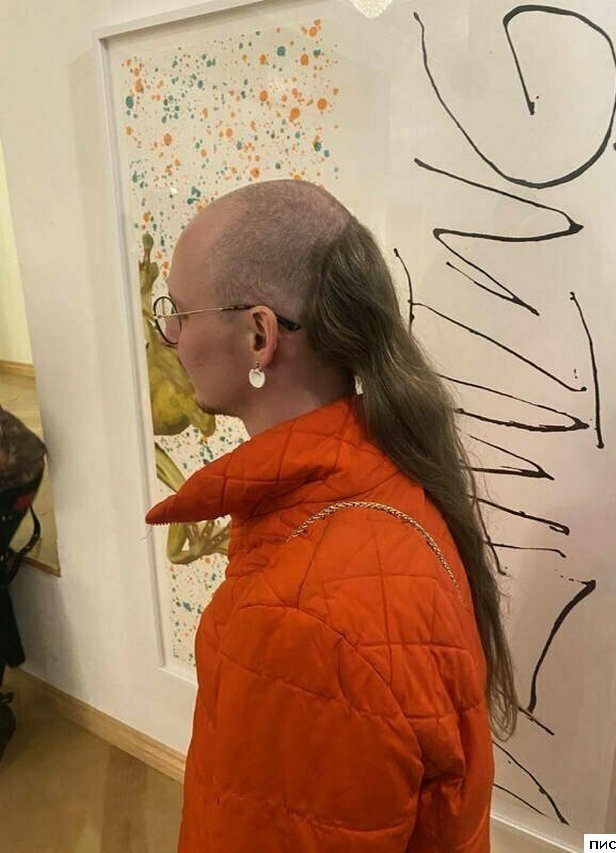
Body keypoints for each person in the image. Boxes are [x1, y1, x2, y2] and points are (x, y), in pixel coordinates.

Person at [145, 179, 518, 852]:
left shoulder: (300, 622)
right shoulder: (389, 474)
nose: (170, 336)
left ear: (259, 335)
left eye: (180, 312)